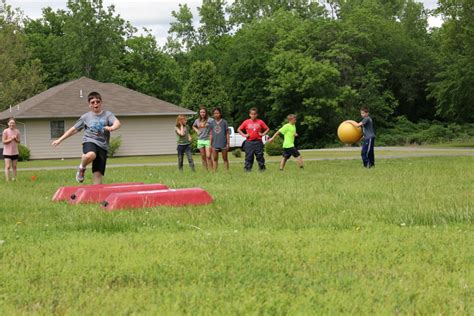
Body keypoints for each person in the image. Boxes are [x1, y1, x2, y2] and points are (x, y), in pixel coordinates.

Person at [52, 91, 121, 184]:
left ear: (101, 102)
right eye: (92, 102)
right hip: (89, 141)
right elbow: (73, 129)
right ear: (89, 105)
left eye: (97, 101)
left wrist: (112, 128)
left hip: (103, 146)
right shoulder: (86, 117)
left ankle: (96, 194)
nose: (95, 104)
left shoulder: (107, 115)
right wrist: (59, 139)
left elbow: (117, 123)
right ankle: (82, 167)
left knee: (98, 174)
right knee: (91, 154)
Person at [237, 107, 270, 172]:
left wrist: (262, 134)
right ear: (249, 114)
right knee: (249, 156)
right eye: (252, 114)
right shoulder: (246, 122)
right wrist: (244, 135)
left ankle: (262, 169)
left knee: (260, 156)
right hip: (249, 142)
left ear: (257, 115)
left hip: (258, 142)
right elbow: (239, 129)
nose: (253, 115)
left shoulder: (260, 122)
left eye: (255, 114)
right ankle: (247, 169)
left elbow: (267, 129)